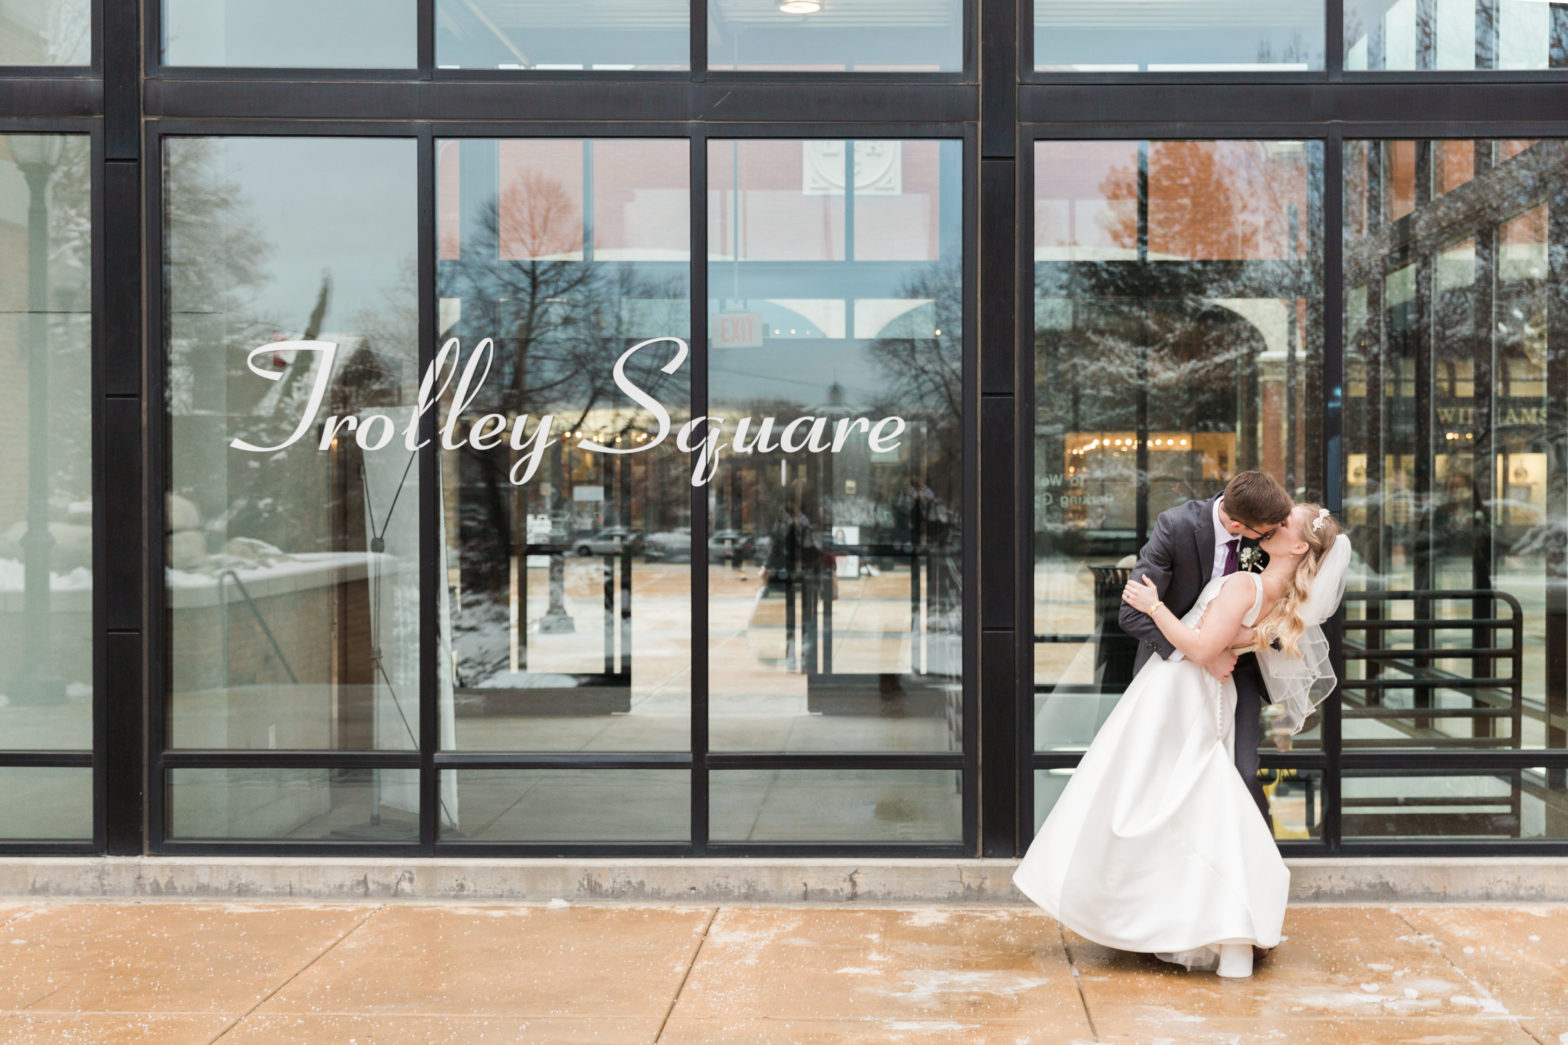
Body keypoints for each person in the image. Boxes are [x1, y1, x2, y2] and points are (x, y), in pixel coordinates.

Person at [1012, 500, 1350, 979]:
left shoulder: (1247, 581)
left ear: (1296, 545)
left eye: (1284, 523)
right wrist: (1213, 649)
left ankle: (1192, 921)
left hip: (1181, 691)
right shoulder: (1274, 588)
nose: (1274, 525)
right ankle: (1215, 928)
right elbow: (1226, 642)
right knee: (1186, 799)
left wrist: (1156, 607)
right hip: (1194, 688)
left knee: (1150, 795)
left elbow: (1201, 644)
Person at [1118, 471, 1295, 822]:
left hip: (1241, 669)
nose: (1273, 536)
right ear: (1236, 524)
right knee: (1163, 779)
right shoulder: (1175, 526)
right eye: (1267, 532)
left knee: (1242, 770)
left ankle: (1251, 864)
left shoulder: (1267, 535)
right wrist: (1202, 654)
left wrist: (1237, 642)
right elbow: (1131, 616)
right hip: (1173, 670)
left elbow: (1284, 619)